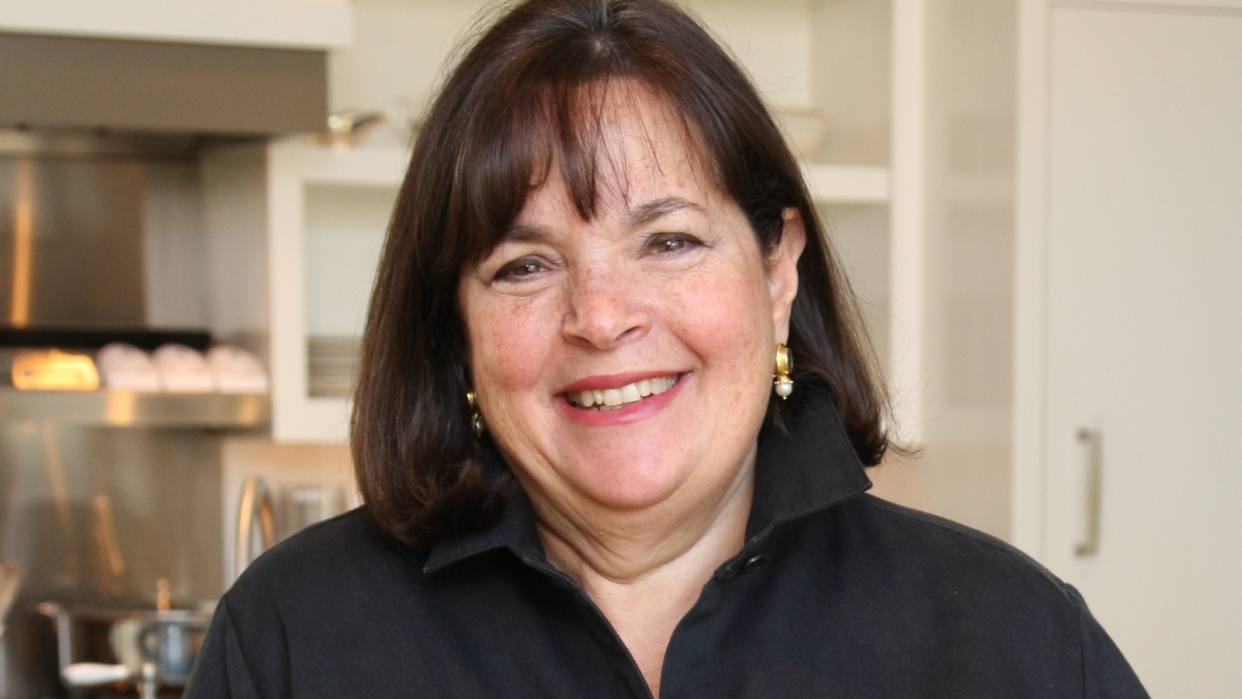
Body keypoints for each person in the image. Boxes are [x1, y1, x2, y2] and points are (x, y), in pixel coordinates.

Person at [185, 0, 1148, 697]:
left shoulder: (1009, 637)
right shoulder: (292, 639)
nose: (601, 316)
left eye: (670, 242)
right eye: (525, 266)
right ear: (456, 324)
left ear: (779, 273)